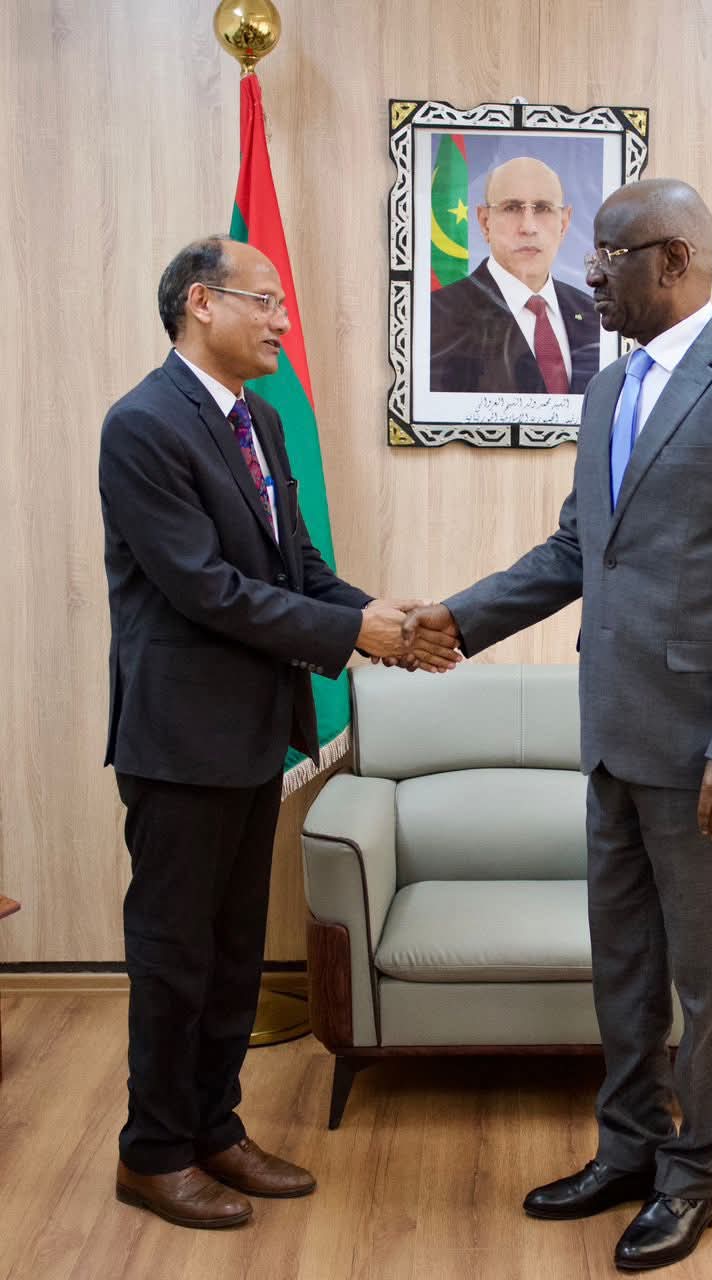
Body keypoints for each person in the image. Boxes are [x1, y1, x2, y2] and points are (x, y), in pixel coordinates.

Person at [406, 179, 712, 1272]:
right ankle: (629, 1148)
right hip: (613, 735)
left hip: (711, 751)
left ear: (674, 259)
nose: (586, 274)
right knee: (625, 967)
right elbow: (575, 551)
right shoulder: (608, 391)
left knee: (711, 982)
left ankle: (696, 1175)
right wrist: (458, 619)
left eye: (607, 255)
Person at [99, 235, 458, 1229]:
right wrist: (353, 635)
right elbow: (206, 588)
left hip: (254, 732)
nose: (281, 321)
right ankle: (152, 1152)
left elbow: (294, 566)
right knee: (174, 955)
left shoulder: (257, 419)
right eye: (265, 302)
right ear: (201, 303)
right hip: (179, 742)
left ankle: (214, 1128)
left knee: (232, 955)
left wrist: (383, 618)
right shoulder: (142, 425)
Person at [430, 156, 600, 395]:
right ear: (485, 222)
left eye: (543, 208)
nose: (528, 227)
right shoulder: (438, 316)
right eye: (511, 208)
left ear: (564, 223)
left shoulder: (595, 317)